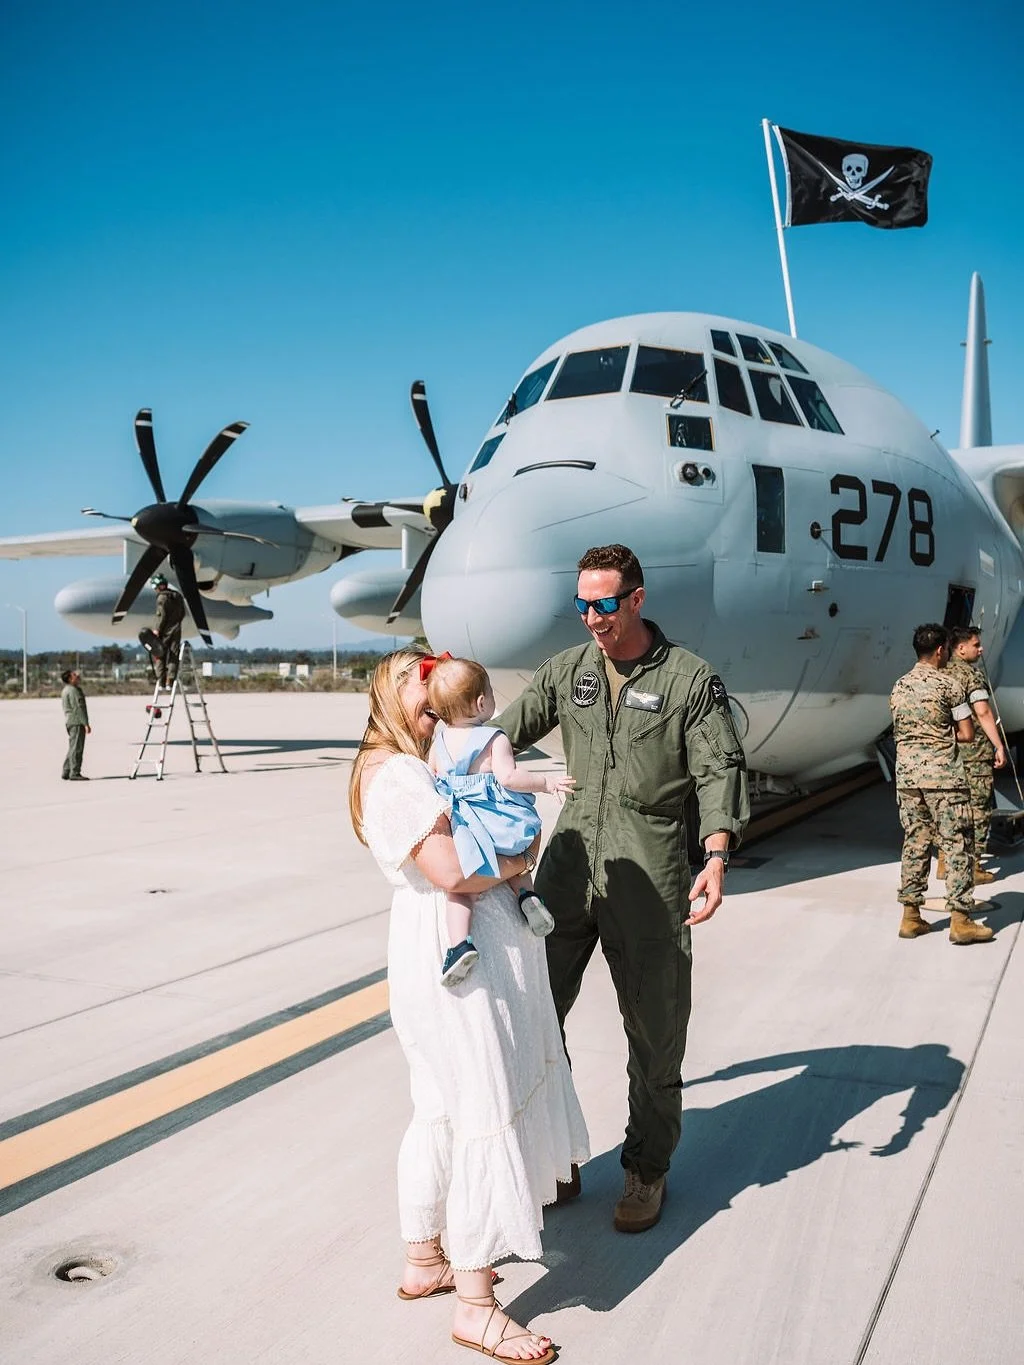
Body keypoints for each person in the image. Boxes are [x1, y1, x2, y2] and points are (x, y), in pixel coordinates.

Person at [499, 544, 749, 1234]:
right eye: (582, 604)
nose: (592, 618)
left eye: (604, 604)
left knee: (655, 1030)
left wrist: (717, 852)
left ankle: (646, 1168)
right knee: (534, 1013)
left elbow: (718, 769)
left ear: (636, 598)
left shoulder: (690, 680)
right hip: (571, 861)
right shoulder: (568, 670)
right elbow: (502, 736)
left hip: (651, 865)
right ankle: (559, 1153)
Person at [349, 647, 589, 1364]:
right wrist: (522, 860)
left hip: (439, 951)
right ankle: (479, 1307)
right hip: (460, 971)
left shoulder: (411, 764)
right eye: (422, 699)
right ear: (392, 701)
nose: (435, 711)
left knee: (444, 1106)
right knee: (485, 1105)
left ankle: (426, 1256)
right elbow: (451, 869)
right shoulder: (395, 774)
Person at [425, 654, 576, 986]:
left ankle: (459, 945)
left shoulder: (438, 742)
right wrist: (546, 783)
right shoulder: (494, 739)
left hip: (466, 824)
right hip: (498, 820)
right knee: (516, 860)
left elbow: (434, 779)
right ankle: (528, 897)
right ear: (482, 702)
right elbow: (509, 777)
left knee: (461, 891)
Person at [889, 623, 994, 945]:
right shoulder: (950, 686)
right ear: (940, 650)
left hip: (908, 779)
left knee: (915, 844)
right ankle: (961, 921)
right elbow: (966, 733)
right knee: (957, 846)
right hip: (944, 779)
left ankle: (911, 916)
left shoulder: (899, 687)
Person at [943, 624, 1007, 883]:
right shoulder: (972, 676)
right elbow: (982, 712)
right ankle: (974, 865)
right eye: (976, 645)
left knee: (950, 807)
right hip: (974, 753)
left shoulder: (941, 674)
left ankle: (946, 861)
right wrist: (998, 745)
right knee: (979, 808)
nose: (981, 649)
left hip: (949, 752)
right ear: (960, 648)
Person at [138, 574, 186, 687]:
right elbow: (182, 614)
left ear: (158, 587)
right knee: (174, 654)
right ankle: (171, 679)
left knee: (159, 654)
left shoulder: (162, 598)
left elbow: (161, 616)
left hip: (165, 631)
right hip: (176, 629)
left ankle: (161, 681)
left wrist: (157, 630)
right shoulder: (177, 596)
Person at [60, 668, 91, 780]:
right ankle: (75, 772)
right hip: (76, 721)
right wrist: (85, 723)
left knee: (73, 747)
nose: (77, 676)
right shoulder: (73, 691)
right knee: (77, 748)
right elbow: (78, 708)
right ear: (69, 679)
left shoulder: (67, 690)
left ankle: (67, 770)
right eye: (74, 675)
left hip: (71, 721)